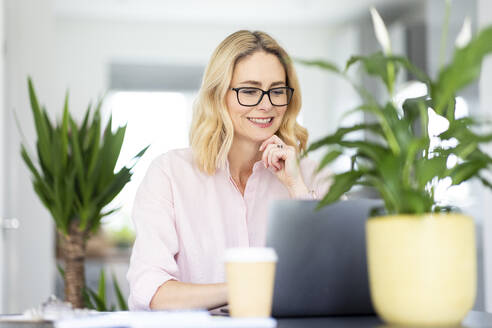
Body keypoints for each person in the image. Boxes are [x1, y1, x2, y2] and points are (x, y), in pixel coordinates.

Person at [127, 30, 330, 311]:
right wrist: (246, 289)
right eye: (249, 90)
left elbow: (337, 275)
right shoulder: (169, 174)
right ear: (218, 95)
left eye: (277, 90)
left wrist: (297, 189)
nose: (267, 104)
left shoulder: (310, 175)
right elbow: (151, 291)